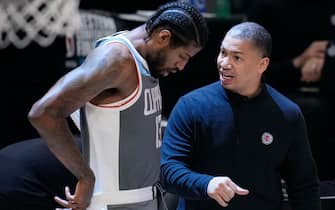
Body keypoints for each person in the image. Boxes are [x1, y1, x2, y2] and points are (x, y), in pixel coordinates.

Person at [0, 2, 208, 210]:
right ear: (163, 38)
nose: (182, 66)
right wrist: (85, 177)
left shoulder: (145, 60)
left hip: (145, 198)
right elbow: (43, 112)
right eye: (183, 57)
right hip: (114, 202)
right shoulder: (115, 60)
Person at [160, 21, 321, 210]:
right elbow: (167, 171)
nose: (224, 63)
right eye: (223, 53)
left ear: (262, 65)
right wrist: (206, 184)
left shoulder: (287, 114)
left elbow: (304, 186)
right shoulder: (191, 106)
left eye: (237, 58)